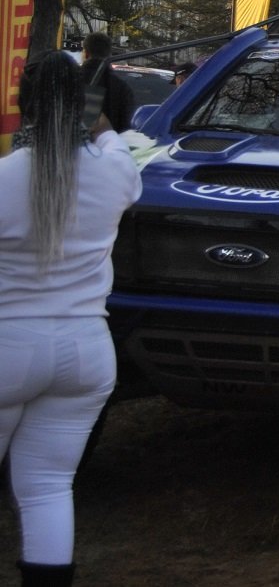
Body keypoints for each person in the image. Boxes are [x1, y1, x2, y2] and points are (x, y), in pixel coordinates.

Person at [1, 52, 143, 587]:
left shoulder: (5, 177)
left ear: (25, 104)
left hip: (9, 342)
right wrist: (100, 120)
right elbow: (116, 146)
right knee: (47, 486)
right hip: (85, 349)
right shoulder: (113, 173)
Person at [80, 31, 135, 132]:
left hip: (69, 144)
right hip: (109, 143)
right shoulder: (121, 87)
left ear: (86, 53)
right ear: (109, 54)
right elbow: (126, 126)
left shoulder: (69, 79)